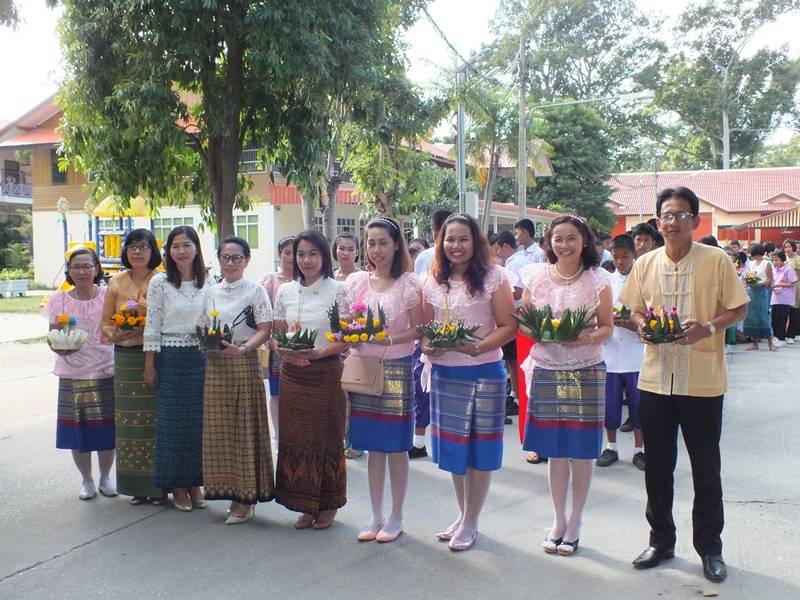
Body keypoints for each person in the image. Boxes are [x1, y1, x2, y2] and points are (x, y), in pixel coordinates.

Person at [621, 186, 748, 583]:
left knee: (705, 467)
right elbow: (631, 311)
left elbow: (738, 307)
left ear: (694, 220)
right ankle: (661, 541)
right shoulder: (645, 263)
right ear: (658, 221)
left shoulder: (716, 260)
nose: (673, 221)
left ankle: (710, 547)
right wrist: (642, 327)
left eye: (680, 214)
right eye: (667, 215)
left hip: (702, 382)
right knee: (657, 466)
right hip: (655, 380)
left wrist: (707, 327)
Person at [421, 213, 517, 552]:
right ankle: (463, 515)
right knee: (454, 449)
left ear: (476, 241)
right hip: (445, 373)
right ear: (441, 242)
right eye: (450, 239)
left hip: (484, 373)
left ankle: (471, 521)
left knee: (479, 451)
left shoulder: (494, 276)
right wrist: (428, 346)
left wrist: (477, 347)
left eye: (463, 239)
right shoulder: (433, 279)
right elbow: (425, 328)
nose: (456, 245)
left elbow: (509, 326)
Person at [519, 215, 613, 556]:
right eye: (558, 238)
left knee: (582, 451)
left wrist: (584, 338)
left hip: (585, 369)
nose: (564, 244)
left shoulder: (597, 280)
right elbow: (524, 323)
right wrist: (541, 333)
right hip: (547, 368)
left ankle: (576, 521)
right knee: (555, 450)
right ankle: (558, 520)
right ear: (549, 242)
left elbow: (607, 327)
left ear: (584, 241)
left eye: (572, 237)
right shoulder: (535, 276)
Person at [345, 217, 423, 543]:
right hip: (363, 368)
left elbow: (419, 329)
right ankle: (376, 514)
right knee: (373, 446)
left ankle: (396, 516)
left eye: (383, 243)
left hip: (396, 369)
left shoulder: (409, 284)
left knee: (396, 445)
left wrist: (389, 340)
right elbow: (347, 322)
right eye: (371, 243)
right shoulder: (356, 282)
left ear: (396, 245)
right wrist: (350, 333)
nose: (376, 250)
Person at [273, 229, 348, 530]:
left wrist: (317, 354)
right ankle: (305, 505)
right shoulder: (285, 291)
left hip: (325, 372)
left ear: (324, 256)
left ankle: (328, 504)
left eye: (312, 254)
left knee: (326, 437)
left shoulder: (338, 290)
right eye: (300, 254)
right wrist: (284, 351)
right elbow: (277, 334)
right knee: (297, 438)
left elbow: (346, 338)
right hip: (292, 374)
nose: (306, 260)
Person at [201, 236, 274, 524]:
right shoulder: (211, 291)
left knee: (245, 428)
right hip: (216, 365)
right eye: (225, 257)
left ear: (247, 260)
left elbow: (265, 329)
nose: (230, 263)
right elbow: (203, 325)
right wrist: (206, 341)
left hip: (243, 361)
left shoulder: (255, 290)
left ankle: (246, 497)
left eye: (236, 258)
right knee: (220, 431)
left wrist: (243, 348)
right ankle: (230, 490)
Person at [143, 226, 210, 512]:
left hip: (201, 358)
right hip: (170, 358)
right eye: (175, 246)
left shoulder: (208, 281)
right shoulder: (160, 283)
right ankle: (178, 487)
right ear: (168, 251)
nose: (181, 251)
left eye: (187, 245)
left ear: (196, 248)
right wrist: (150, 364)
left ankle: (195, 483)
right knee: (173, 425)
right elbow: (152, 324)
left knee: (197, 424)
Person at [101, 228, 166, 505]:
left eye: (143, 246)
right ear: (125, 251)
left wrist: (145, 320)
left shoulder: (162, 280)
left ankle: (160, 487)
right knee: (129, 424)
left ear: (153, 251)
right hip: (126, 359)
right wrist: (119, 333)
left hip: (157, 355)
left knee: (157, 422)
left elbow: (169, 317)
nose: (137, 252)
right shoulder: (115, 282)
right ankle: (136, 487)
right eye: (132, 246)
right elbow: (105, 323)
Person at [47, 247, 116, 500]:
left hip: (106, 369)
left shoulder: (108, 295)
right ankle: (87, 480)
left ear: (97, 269)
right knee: (79, 431)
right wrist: (59, 348)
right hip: (72, 372)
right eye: (76, 266)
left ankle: (106, 477)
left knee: (106, 430)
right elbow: (53, 335)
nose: (82, 271)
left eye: (87, 266)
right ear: (69, 271)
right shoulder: (60, 300)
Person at [597, 234, 645, 471]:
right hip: (611, 351)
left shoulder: (642, 279)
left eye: (625, 257)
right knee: (610, 404)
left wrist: (633, 323)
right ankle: (611, 446)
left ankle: (639, 449)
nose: (619, 261)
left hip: (636, 353)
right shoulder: (606, 281)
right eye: (615, 257)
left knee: (638, 405)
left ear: (634, 255)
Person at [411, 209, 453, 458]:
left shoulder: (426, 256)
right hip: (434, 333)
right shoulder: (427, 257)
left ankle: (421, 441)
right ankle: (420, 441)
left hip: (438, 332)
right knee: (425, 386)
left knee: (424, 387)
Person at [259, 235, 295, 446]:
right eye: (286, 252)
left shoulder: (305, 280)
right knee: (277, 393)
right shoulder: (270, 280)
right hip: (276, 346)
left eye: (295, 253)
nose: (291, 257)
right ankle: (278, 436)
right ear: (279, 254)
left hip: (302, 345)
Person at [333, 232, 363, 459]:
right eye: (341, 248)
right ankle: (338, 440)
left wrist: (352, 338)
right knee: (337, 398)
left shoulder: (363, 278)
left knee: (356, 397)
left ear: (357, 252)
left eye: (350, 249)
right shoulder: (329, 278)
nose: (345, 253)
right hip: (332, 345)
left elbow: (364, 313)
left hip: (356, 346)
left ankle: (355, 442)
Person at [492, 229, 523, 424]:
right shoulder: (512, 262)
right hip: (512, 314)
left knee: (513, 359)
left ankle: (517, 396)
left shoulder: (514, 263)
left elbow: (517, 292)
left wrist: (497, 299)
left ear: (504, 246)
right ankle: (514, 394)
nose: (497, 254)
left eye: (497, 249)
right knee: (511, 359)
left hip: (514, 314)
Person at [742, 244, 775, 351]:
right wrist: (749, 281)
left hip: (761, 292)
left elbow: (770, 279)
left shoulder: (766, 263)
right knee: (752, 316)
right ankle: (754, 343)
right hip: (752, 292)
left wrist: (759, 283)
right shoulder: (752, 263)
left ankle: (770, 344)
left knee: (763, 316)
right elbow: (748, 275)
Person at [769, 250, 797, 346]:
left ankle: (781, 339)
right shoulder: (774, 270)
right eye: (773, 260)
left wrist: (779, 284)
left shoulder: (788, 269)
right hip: (775, 298)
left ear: (782, 259)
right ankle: (777, 337)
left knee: (781, 319)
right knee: (774, 319)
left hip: (785, 298)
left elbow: (793, 283)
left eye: (776, 260)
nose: (775, 262)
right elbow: (773, 281)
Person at [781, 240, 800, 342]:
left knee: (794, 311)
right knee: (784, 311)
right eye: (785, 247)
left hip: (795, 287)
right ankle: (782, 334)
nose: (787, 249)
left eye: (789, 247)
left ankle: (791, 334)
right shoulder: (783, 259)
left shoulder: (798, 259)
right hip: (783, 287)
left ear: (793, 248)